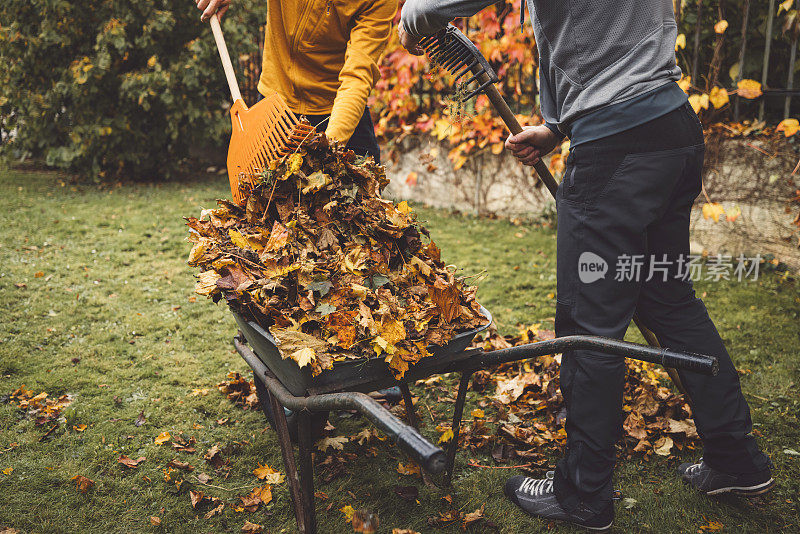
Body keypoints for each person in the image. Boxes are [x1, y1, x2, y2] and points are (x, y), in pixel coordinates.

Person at [399, 0, 773, 530]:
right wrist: (556, 128)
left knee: (588, 328)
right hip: (671, 132)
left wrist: (412, 20)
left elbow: (428, 9)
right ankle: (736, 459)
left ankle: (582, 493)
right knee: (668, 301)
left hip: (616, 155)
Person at [196, 0, 397, 163]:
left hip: (340, 109)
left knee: (364, 205)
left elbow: (357, 76)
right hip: (276, 105)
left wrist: (327, 149)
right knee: (263, 205)